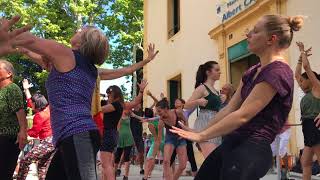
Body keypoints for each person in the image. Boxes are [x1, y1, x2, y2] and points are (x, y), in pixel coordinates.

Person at [170, 14, 302, 179]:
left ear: (271, 39)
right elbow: (231, 108)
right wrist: (200, 131)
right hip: (233, 142)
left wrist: (202, 136)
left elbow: (242, 115)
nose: (248, 34)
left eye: (255, 31)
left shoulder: (278, 72)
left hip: (254, 147)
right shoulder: (252, 71)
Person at [100, 81, 147, 180]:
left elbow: (98, 109)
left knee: (106, 165)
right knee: (108, 163)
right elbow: (135, 102)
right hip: (113, 134)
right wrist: (141, 90)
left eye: (109, 95)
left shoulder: (115, 105)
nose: (108, 97)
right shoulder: (121, 105)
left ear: (114, 94)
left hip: (109, 134)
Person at [17, 79, 54, 180]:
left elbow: (34, 132)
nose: (29, 104)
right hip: (54, 141)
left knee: (25, 161)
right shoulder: (50, 108)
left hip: (48, 142)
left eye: (32, 103)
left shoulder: (39, 116)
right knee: (42, 167)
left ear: (36, 104)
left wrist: (22, 132)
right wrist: (26, 89)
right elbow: (30, 100)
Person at [184, 61, 222, 158]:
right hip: (204, 122)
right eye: (217, 70)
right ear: (208, 72)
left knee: (216, 159)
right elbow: (186, 105)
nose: (219, 72)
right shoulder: (202, 88)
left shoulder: (216, 90)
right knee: (212, 159)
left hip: (215, 124)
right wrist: (198, 102)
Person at [296, 41, 320, 180]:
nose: (300, 82)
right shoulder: (308, 92)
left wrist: (303, 51)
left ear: (311, 80)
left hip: (315, 126)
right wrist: (300, 58)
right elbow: (297, 73)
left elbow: (306, 67)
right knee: (305, 162)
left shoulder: (317, 87)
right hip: (307, 127)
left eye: (303, 81)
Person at [0, 59, 28, 179]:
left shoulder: (12, 88)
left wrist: (23, 132)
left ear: (9, 73)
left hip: (8, 138)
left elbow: (20, 113)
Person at [156, 98, 188, 180]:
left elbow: (185, 120)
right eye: (157, 111)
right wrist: (158, 150)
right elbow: (159, 137)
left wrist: (185, 133)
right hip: (170, 138)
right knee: (166, 161)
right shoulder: (161, 121)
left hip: (180, 138)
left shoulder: (177, 112)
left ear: (166, 109)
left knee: (183, 165)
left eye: (159, 111)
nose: (157, 113)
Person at [170, 98, 198, 177]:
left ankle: (196, 175)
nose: (176, 102)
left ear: (183, 104)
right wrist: (148, 119)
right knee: (172, 156)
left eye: (178, 101)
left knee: (191, 157)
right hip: (176, 137)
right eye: (175, 101)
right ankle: (167, 175)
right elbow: (161, 116)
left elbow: (195, 105)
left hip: (185, 136)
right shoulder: (172, 112)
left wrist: (198, 99)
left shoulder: (186, 112)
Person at [130, 103, 145, 174]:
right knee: (124, 153)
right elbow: (129, 125)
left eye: (139, 103)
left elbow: (150, 110)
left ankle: (141, 168)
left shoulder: (141, 112)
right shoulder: (131, 112)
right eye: (138, 103)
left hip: (139, 136)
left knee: (141, 152)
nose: (139, 104)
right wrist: (131, 136)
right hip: (132, 135)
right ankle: (119, 168)